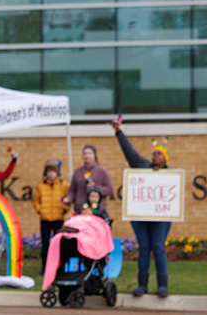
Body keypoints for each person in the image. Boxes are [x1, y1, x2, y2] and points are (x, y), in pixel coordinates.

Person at [108, 119, 171, 298]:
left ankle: (162, 284)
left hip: (160, 218)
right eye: (154, 153)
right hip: (141, 217)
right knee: (143, 248)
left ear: (165, 158)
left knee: (158, 248)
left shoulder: (169, 175)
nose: (155, 156)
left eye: (159, 154)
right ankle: (142, 284)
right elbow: (129, 151)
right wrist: (118, 132)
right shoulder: (142, 167)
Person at [32, 159, 70, 268]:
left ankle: (60, 266)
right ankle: (45, 267)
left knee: (59, 244)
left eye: (53, 171)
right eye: (49, 171)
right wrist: (40, 210)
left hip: (58, 218)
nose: (51, 173)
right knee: (45, 244)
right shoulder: (40, 186)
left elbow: (68, 200)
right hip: (45, 219)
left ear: (57, 172)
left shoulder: (64, 186)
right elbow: (36, 200)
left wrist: (64, 209)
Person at [62, 145, 113, 214]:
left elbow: (110, 190)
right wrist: (68, 198)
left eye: (89, 153)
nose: (87, 156)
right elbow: (72, 190)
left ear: (94, 155)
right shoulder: (77, 171)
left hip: (97, 211)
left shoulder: (101, 171)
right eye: (85, 154)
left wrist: (95, 187)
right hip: (80, 210)